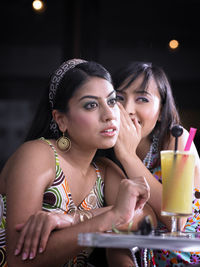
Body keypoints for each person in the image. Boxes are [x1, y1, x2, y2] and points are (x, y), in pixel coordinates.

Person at [0, 58, 151, 267]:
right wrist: (111, 216)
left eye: (112, 101)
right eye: (91, 105)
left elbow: (145, 217)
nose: (109, 115)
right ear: (61, 119)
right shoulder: (38, 155)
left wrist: (74, 218)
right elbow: (19, 261)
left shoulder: (104, 171)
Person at [106, 61, 200, 266]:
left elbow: (177, 219)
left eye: (142, 99)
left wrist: (128, 156)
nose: (128, 109)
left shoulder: (176, 139)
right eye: (119, 98)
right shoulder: (107, 153)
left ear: (161, 111)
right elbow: (115, 233)